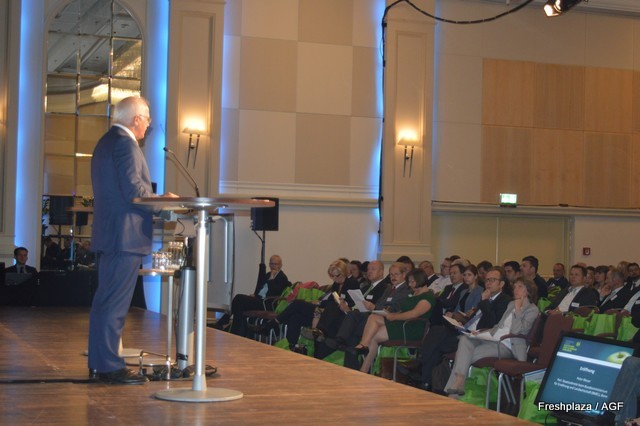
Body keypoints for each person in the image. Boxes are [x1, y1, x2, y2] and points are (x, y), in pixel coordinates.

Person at [88, 96, 176, 385]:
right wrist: (163, 201)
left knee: (105, 302)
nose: (149, 124)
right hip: (124, 236)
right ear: (136, 119)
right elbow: (135, 193)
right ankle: (110, 367)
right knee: (114, 304)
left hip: (112, 234)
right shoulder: (126, 145)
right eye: (147, 118)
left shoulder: (106, 142)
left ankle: (100, 363)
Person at [410, 266, 511, 392]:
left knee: (438, 343)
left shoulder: (505, 300)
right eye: (487, 280)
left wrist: (484, 302)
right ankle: (427, 380)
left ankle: (423, 373)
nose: (488, 283)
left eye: (493, 280)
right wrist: (461, 321)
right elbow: (474, 320)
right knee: (437, 331)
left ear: (501, 284)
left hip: (480, 339)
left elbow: (492, 322)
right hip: (468, 331)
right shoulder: (486, 298)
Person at [444, 277, 539, 396]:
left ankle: (455, 389)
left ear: (529, 290)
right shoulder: (511, 304)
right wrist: (480, 333)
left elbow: (516, 331)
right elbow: (499, 326)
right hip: (493, 338)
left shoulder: (532, 310)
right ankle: (458, 384)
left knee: (464, 354)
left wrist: (518, 310)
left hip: (507, 345)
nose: (516, 289)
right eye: (515, 287)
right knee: (465, 339)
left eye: (520, 287)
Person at [325, 261, 409, 369]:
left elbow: (396, 307)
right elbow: (380, 303)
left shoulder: (405, 289)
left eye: (396, 274)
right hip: (375, 314)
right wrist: (374, 307)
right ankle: (341, 342)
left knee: (354, 326)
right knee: (352, 315)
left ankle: (346, 350)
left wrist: (375, 308)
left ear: (404, 275)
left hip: (388, 319)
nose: (393, 277)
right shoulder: (390, 288)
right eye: (391, 274)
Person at [354, 268, 436, 373]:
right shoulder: (413, 292)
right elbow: (404, 310)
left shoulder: (428, 297)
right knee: (373, 325)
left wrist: (394, 317)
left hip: (411, 328)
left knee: (373, 326)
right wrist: (390, 314)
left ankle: (363, 349)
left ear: (420, 280)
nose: (410, 284)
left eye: (412, 281)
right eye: (409, 281)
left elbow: (413, 314)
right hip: (402, 323)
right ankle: (364, 364)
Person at [270, 260, 359, 349]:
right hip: (327, 312)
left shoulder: (352, 283)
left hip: (336, 315)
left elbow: (353, 302)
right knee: (295, 317)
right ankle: (292, 346)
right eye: (332, 276)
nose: (334, 278)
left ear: (343, 272)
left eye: (337, 275)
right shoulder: (336, 284)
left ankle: (275, 322)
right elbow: (330, 300)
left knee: (297, 303)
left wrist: (339, 303)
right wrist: (319, 303)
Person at [216, 255, 289, 337]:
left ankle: (225, 323)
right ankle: (236, 331)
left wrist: (272, 279)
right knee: (239, 307)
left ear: (280, 265)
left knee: (238, 298)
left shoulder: (282, 277)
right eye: (271, 264)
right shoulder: (268, 275)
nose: (273, 266)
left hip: (266, 303)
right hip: (259, 299)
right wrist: (255, 295)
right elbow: (261, 288)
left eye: (275, 264)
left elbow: (274, 292)